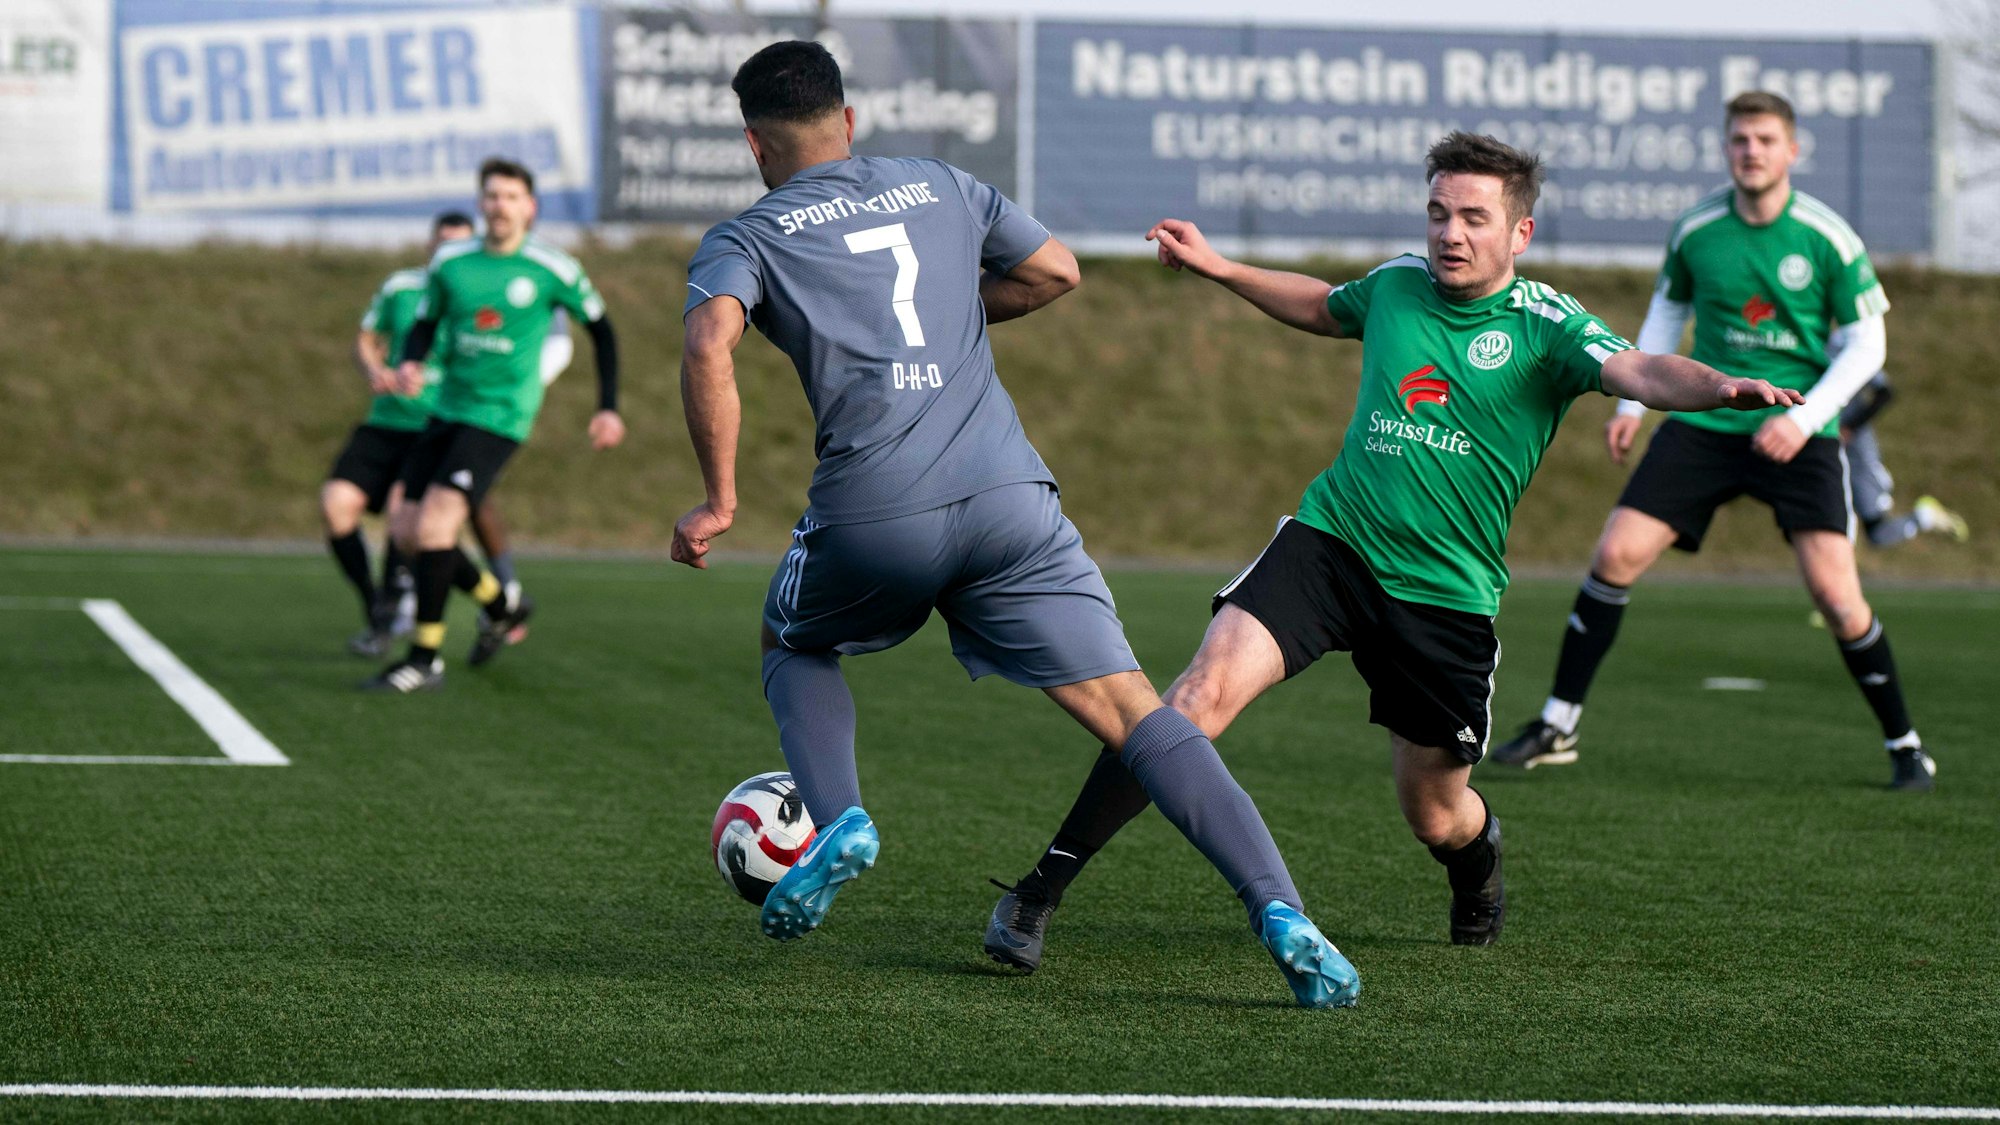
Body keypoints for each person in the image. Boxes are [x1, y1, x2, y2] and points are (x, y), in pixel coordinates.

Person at [982, 131, 1806, 975]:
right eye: (1439, 213)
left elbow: (1641, 371)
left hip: (1443, 596)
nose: (1451, 233)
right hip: (1333, 545)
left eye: (1474, 218)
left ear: (1519, 234)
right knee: (1190, 702)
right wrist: (1220, 267)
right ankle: (1038, 891)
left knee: (1435, 813)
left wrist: (1718, 387)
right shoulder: (1398, 285)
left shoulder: (1548, 325)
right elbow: (1322, 304)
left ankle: (1477, 856)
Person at [671, 40, 1357, 1010]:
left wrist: (718, 498)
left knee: (791, 639)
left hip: (878, 509)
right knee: (1139, 715)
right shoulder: (940, 182)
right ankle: (1280, 908)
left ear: (753, 142)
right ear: (849, 120)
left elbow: (710, 339)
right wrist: (950, 315)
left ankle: (841, 819)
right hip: (1008, 503)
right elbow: (1056, 271)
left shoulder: (747, 235)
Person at [1491, 91, 1939, 792]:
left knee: (1836, 595)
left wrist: (1803, 419)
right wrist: (1634, 404)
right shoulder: (1697, 229)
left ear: (1792, 150)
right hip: (1707, 419)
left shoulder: (1827, 236)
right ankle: (1558, 724)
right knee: (1615, 553)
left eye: (1765, 139)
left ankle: (1906, 745)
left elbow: (1867, 344)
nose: (1751, 151)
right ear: (1726, 147)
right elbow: (1667, 313)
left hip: (1798, 426)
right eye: (1739, 139)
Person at [363, 158, 625, 693]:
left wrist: (607, 407)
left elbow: (602, 332)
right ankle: (501, 605)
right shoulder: (452, 261)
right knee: (407, 533)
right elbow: (425, 322)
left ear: (530, 207)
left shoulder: (553, 267)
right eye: (492, 196)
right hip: (446, 409)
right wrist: (410, 361)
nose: (499, 205)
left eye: (510, 196)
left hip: (501, 415)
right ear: (481, 204)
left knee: (437, 527)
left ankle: (425, 659)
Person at [325, 211, 473, 657]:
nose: (449, 252)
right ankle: (375, 605)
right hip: (385, 421)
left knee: (402, 516)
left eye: (460, 245)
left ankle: (397, 617)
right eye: (443, 243)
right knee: (336, 505)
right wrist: (376, 370)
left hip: (434, 425)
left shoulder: (476, 294)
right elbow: (366, 338)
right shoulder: (402, 287)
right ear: (429, 245)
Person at [1838, 373, 1969, 549]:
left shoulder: (1848, 356)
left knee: (1877, 532)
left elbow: (1885, 393)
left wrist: (1849, 428)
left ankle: (1925, 517)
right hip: (1823, 448)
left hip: (1855, 455)